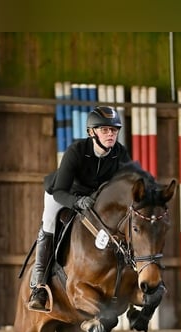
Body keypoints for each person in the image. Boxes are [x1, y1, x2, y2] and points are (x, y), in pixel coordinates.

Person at [28, 105, 132, 311]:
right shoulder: (76, 151)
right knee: (49, 223)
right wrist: (77, 202)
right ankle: (38, 285)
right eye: (105, 130)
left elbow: (128, 183)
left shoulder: (119, 153)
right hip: (64, 194)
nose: (111, 134)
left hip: (95, 199)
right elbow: (59, 191)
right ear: (91, 132)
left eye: (114, 130)